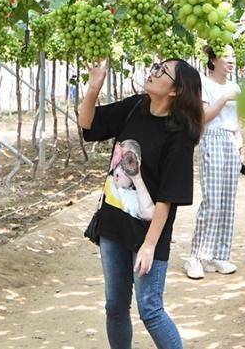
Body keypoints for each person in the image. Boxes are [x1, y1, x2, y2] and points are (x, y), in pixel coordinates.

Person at [80, 58, 202, 349]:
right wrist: (94, 87)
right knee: (115, 306)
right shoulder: (135, 106)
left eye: (162, 71)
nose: (153, 71)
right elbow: (88, 124)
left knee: (150, 309)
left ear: (175, 90)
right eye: (156, 66)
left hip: (148, 232)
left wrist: (149, 245)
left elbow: (168, 196)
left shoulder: (179, 132)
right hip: (113, 224)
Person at [184, 44, 243, 280]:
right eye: (226, 56)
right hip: (213, 139)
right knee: (212, 201)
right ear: (214, 59)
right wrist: (224, 98)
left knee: (228, 200)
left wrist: (241, 145)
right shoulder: (203, 84)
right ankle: (196, 256)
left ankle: (219, 254)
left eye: (234, 56)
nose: (231, 60)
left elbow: (236, 121)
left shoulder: (234, 86)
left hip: (230, 141)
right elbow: (203, 117)